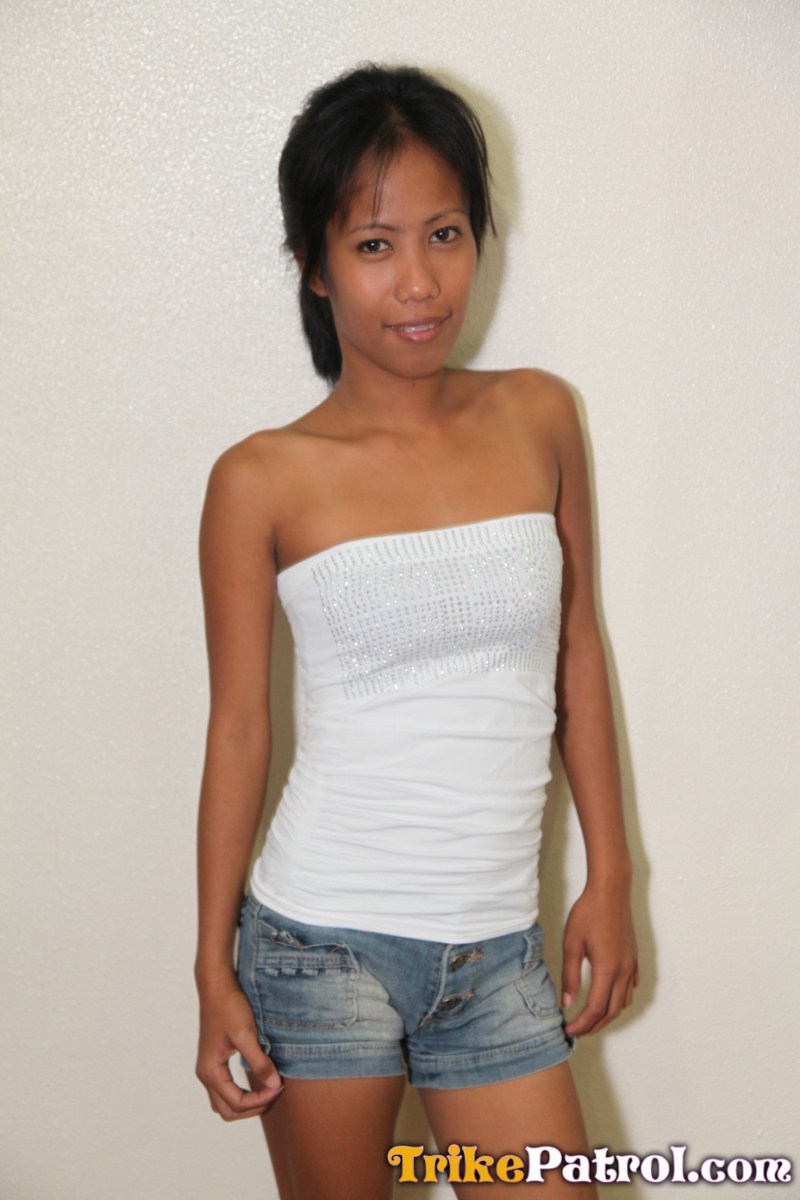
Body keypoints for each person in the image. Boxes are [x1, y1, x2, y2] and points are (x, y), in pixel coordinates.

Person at [194, 63, 638, 1200]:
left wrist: (609, 873)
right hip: (316, 948)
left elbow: (575, 651)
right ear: (315, 265)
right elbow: (240, 728)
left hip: (497, 957)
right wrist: (210, 968)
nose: (420, 281)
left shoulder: (539, 415)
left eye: (444, 233)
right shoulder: (260, 478)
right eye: (374, 245)